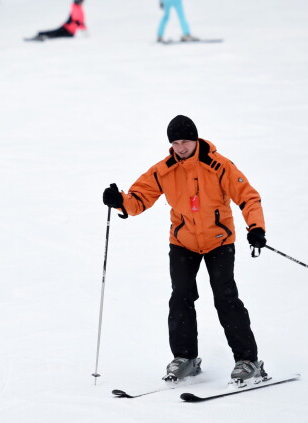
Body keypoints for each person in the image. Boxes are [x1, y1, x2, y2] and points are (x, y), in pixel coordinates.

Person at [102, 115, 268, 384]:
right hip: (183, 243)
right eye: (176, 142)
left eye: (185, 142)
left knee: (226, 299)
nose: (181, 147)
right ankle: (185, 358)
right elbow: (139, 199)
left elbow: (248, 196)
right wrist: (120, 201)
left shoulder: (219, 166)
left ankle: (248, 361)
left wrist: (256, 228)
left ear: (196, 139)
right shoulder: (164, 170)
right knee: (180, 298)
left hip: (219, 241)